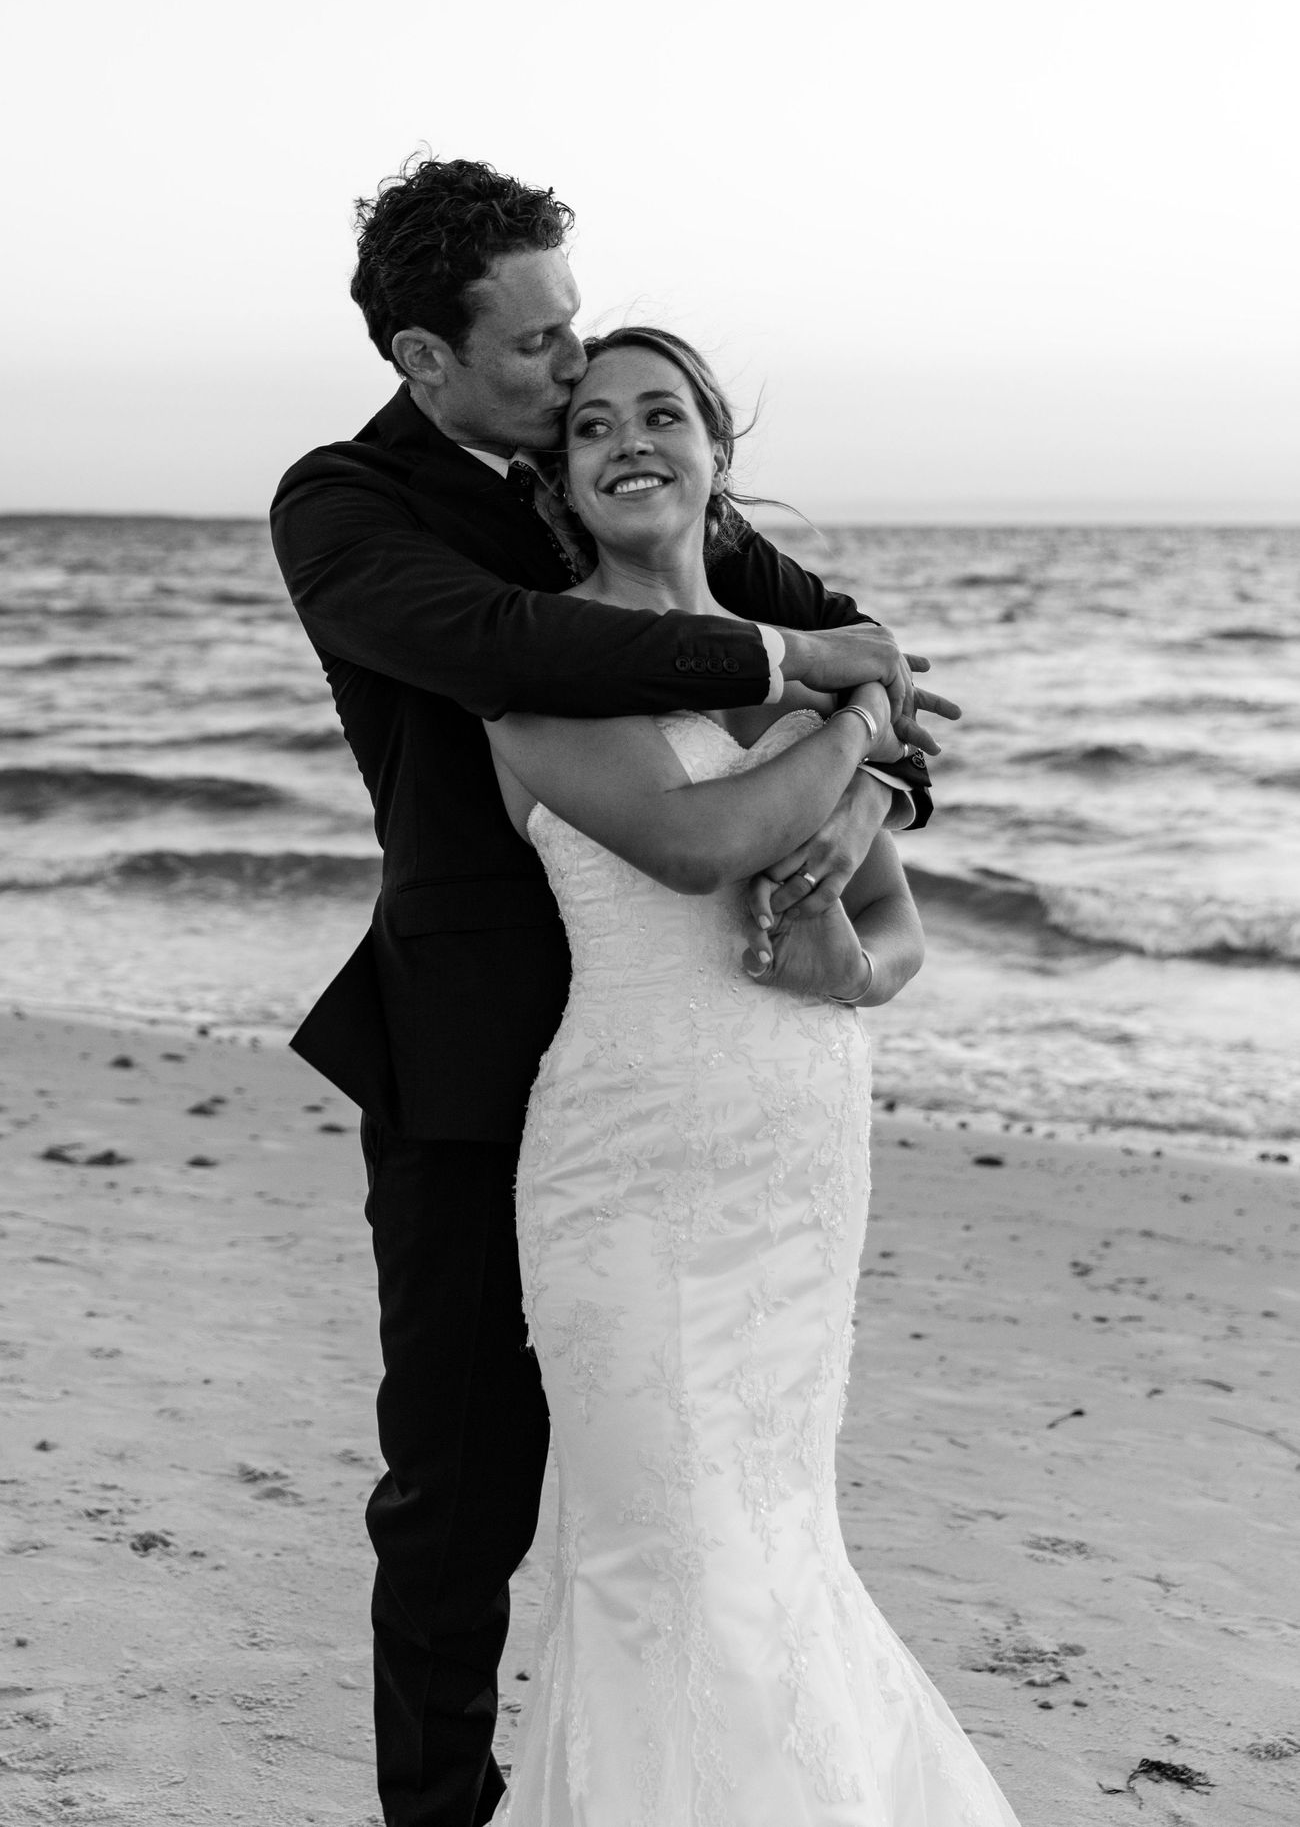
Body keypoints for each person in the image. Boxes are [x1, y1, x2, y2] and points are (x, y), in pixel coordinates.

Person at [269, 157, 957, 1827]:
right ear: (427, 360)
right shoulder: (345, 508)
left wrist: (869, 782)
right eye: (541, 350)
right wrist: (795, 678)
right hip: (475, 1054)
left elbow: (873, 658)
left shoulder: (638, 483)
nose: (581, 380)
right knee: (460, 1483)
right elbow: (510, 646)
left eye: (585, 332)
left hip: (715, 1071)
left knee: (725, 1494)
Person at [483, 328, 1020, 1824]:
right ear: (562, 477)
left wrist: (853, 968)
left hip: (799, 1151)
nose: (630, 439)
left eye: (665, 415)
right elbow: (695, 842)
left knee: (780, 1536)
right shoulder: (532, 667)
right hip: (628, 1163)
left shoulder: (797, 681)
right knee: (667, 1551)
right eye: (594, 423)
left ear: (721, 459)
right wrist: (857, 712)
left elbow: (901, 927)